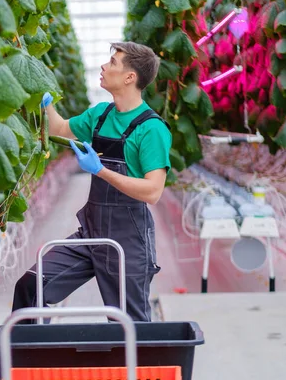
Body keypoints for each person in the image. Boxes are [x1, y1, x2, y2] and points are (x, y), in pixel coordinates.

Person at [12, 41, 172, 323]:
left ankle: (135, 367)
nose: (103, 66)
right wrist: (45, 105)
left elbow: (153, 191)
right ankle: (35, 359)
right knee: (31, 286)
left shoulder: (151, 129)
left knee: (130, 324)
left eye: (112, 63)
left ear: (129, 77)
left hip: (128, 243)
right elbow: (61, 128)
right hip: (91, 234)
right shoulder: (100, 115)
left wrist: (101, 171)